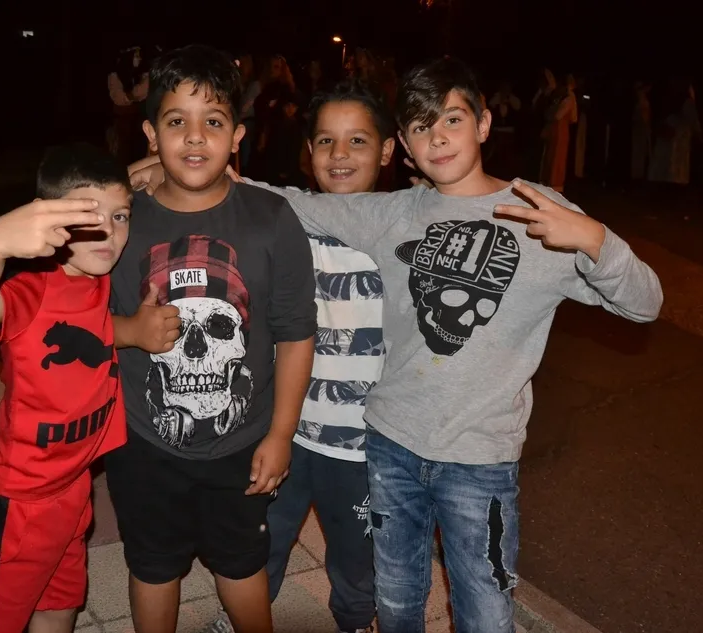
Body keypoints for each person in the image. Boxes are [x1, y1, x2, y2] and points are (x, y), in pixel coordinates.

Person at [221, 57, 663, 633]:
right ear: (405, 146)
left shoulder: (541, 212)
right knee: (398, 601)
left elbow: (644, 303)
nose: (438, 137)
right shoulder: (395, 212)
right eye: (421, 126)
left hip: (480, 459)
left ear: (483, 124)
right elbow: (286, 201)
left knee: (485, 610)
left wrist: (594, 239)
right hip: (390, 448)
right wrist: (189, 171)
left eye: (452, 119)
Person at [105, 44, 317, 633]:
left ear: (237, 136)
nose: (195, 137)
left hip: (242, 445)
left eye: (214, 122)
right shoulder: (122, 222)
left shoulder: (271, 220)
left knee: (242, 564)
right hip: (143, 445)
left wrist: (281, 433)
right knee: (152, 567)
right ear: (151, 134)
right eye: (177, 122)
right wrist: (131, 331)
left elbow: (296, 333)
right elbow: (71, 312)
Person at [201, 79, 395, 633]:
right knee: (264, 535)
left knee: (357, 552)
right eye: (326, 141)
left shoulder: (400, 228)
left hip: (362, 444)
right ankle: (244, 616)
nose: (340, 154)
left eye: (358, 141)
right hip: (286, 429)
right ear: (308, 151)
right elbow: (230, 183)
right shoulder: (291, 218)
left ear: (386, 150)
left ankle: (354, 620)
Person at [0, 143, 132, 633]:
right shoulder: (33, 289)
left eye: (120, 217)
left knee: (60, 607)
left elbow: (132, 186)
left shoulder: (97, 274)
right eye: (88, 217)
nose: (107, 231)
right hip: (12, 503)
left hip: (72, 488)